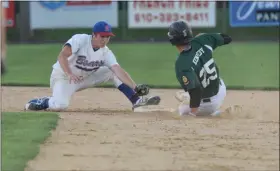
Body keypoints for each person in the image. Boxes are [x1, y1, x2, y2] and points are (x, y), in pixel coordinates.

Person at [24, 21, 160, 111]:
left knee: (111, 71)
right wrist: (69, 73)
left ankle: (136, 101)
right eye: (102, 36)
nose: (105, 39)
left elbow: (118, 70)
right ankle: (45, 101)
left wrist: (135, 87)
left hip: (84, 78)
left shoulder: (106, 52)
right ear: (94, 35)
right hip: (63, 77)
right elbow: (62, 56)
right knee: (61, 105)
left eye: (108, 37)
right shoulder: (80, 40)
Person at [167, 20, 232, 117]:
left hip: (208, 103)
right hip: (221, 89)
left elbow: (196, 90)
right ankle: (193, 101)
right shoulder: (203, 40)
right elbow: (227, 38)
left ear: (172, 40)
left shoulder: (181, 63)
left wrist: (192, 114)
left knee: (180, 111)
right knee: (188, 92)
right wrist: (206, 36)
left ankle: (215, 114)